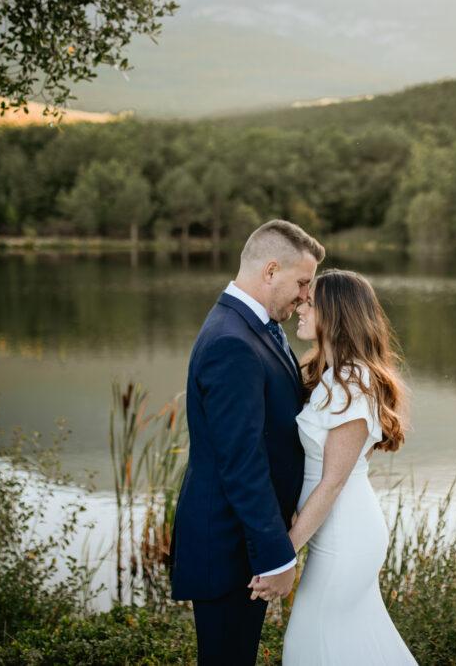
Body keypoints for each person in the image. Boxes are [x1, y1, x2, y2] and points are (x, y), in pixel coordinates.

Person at [170, 219, 325, 666]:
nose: (305, 296)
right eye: (301, 282)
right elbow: (242, 461)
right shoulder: (231, 342)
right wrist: (277, 555)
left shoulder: (255, 327)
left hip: (241, 541)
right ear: (271, 270)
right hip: (228, 546)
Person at [250, 268, 417, 664]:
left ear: (336, 313)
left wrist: (282, 555)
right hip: (337, 529)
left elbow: (332, 483)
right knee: (351, 642)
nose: (300, 307)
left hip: (346, 534)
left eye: (310, 302)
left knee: (310, 642)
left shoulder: (351, 383)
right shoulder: (332, 375)